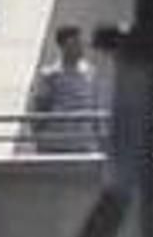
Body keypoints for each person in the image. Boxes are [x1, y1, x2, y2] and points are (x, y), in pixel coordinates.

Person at [27, 25, 101, 153]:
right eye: (74, 44)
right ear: (63, 46)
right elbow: (39, 108)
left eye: (80, 43)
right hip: (55, 143)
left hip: (82, 144)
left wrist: (98, 136)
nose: (79, 48)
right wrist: (39, 137)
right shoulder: (50, 75)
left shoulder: (89, 72)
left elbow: (94, 107)